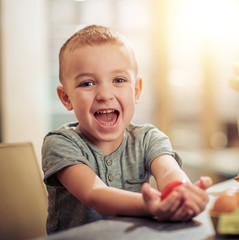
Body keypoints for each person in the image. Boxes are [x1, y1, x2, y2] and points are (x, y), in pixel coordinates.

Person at [42, 25, 212, 234]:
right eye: (87, 83)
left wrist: (181, 193)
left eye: (119, 80)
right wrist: (153, 206)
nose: (105, 94)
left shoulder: (148, 139)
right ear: (66, 98)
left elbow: (168, 170)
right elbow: (95, 194)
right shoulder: (60, 143)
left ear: (136, 90)